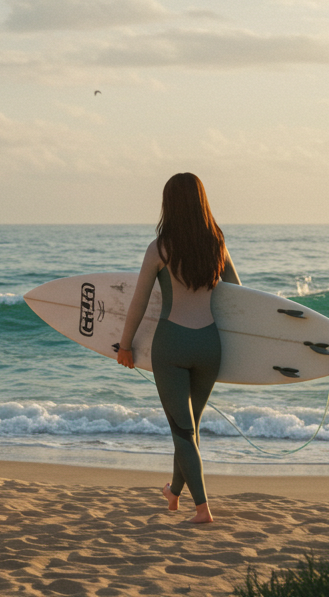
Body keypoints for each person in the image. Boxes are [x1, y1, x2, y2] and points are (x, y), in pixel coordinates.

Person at [117, 173, 239, 524]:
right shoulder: (218, 244)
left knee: (182, 431)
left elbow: (139, 301)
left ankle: (202, 509)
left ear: (169, 204)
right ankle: (173, 494)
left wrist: (125, 345)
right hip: (209, 347)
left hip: (171, 346)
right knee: (189, 429)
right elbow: (239, 294)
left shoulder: (160, 248)